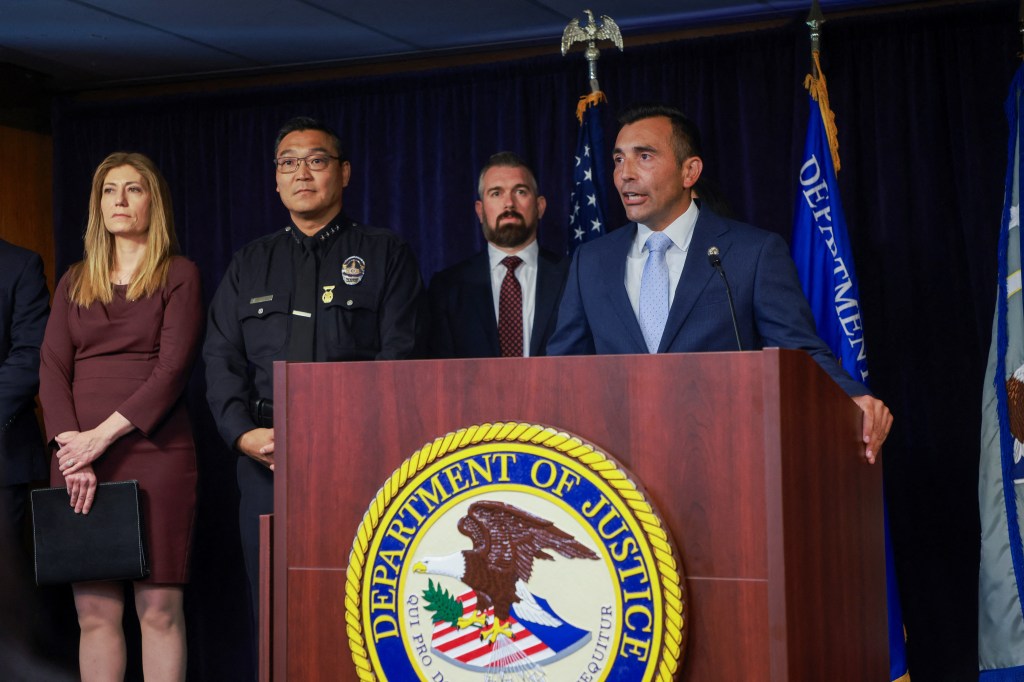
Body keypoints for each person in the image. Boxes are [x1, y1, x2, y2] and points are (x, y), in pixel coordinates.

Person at [546, 103, 892, 462]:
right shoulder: (591, 262)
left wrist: (851, 395)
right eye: (618, 160)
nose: (625, 175)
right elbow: (561, 370)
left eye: (644, 157)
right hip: (617, 463)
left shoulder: (752, 253)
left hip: (721, 457)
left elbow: (799, 352)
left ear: (689, 171)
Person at [203, 116, 426, 651]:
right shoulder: (249, 263)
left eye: (317, 160)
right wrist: (241, 435)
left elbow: (401, 356)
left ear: (344, 173)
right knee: (276, 607)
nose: (302, 173)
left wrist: (355, 436)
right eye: (288, 162)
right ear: (276, 179)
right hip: (266, 457)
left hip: (357, 458)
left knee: (359, 602)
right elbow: (220, 358)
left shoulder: (383, 253)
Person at [39, 151, 203, 681]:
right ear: (98, 204)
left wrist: (99, 439)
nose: (120, 201)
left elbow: (172, 370)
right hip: (76, 464)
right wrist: (73, 450)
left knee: (157, 610)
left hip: (155, 454)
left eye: (133, 189)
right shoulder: (73, 280)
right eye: (110, 191)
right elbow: (51, 368)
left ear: (153, 201)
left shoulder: (179, 274)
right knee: (94, 612)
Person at [428, 152, 568, 358]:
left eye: (520, 192)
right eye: (496, 193)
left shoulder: (573, 277)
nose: (509, 204)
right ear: (480, 210)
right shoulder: (447, 287)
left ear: (540, 206)